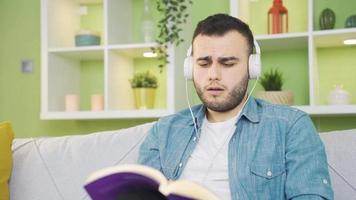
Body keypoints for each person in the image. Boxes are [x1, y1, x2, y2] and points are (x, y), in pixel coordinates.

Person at [138, 13, 333, 200]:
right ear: (190, 69)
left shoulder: (292, 127)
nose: (213, 74)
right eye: (204, 63)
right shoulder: (163, 132)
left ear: (252, 68)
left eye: (228, 63)